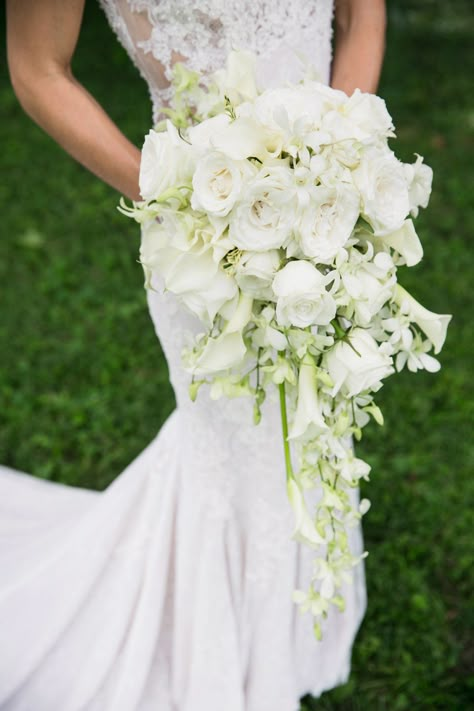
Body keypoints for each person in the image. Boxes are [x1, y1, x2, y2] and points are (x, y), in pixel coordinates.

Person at [2, 1, 386, 709]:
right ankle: (224, 643)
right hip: (201, 233)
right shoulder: (194, 215)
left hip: (333, 207)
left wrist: (337, 165)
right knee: (236, 436)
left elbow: (362, 18)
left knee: (316, 410)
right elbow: (37, 69)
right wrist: (190, 204)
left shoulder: (337, 184)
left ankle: (300, 619)